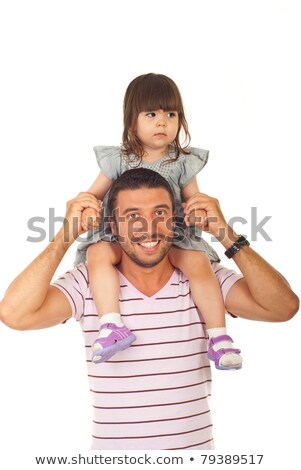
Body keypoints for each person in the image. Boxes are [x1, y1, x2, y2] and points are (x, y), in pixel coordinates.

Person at [0, 168, 298, 450]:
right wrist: (65, 235)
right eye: (132, 216)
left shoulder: (203, 278)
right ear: (113, 226)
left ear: (175, 219)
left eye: (160, 213)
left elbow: (282, 308)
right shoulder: (90, 281)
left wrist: (226, 234)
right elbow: (15, 314)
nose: (148, 228)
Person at [76, 72, 241, 369]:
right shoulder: (118, 160)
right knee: (96, 253)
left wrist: (200, 213)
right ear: (131, 122)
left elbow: (194, 201)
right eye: (151, 114)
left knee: (198, 263)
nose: (162, 122)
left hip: (171, 237)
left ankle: (218, 337)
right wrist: (86, 206)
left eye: (171, 114)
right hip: (123, 237)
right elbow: (93, 195)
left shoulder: (182, 162)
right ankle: (111, 324)